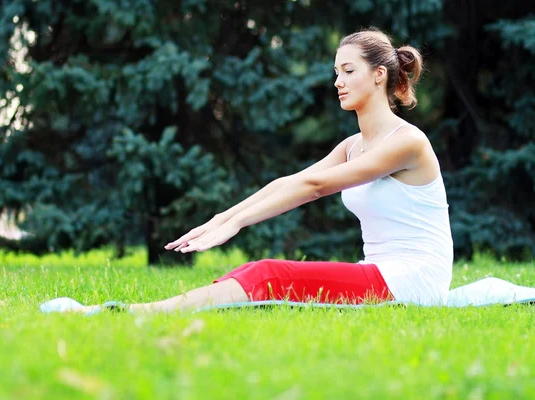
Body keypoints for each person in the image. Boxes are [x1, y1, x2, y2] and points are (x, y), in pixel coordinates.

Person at [81, 27, 454, 314]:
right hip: (384, 274)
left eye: (348, 70)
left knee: (268, 273)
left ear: (379, 76)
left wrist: (239, 224)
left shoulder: (408, 142)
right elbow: (288, 182)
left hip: (413, 283)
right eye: (335, 71)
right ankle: (167, 307)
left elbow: (315, 186)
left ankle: (140, 313)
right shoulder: (352, 146)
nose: (337, 81)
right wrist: (223, 217)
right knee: (261, 273)